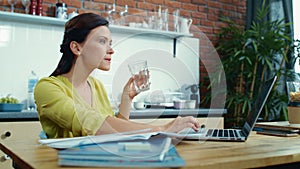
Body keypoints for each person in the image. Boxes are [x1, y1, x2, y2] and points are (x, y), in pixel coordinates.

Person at [34, 12, 200, 138]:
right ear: (77, 48)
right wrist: (162, 129)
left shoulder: (95, 86)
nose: (111, 50)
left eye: (110, 43)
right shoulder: (47, 88)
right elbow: (92, 124)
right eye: (102, 41)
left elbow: (113, 132)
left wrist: (126, 100)